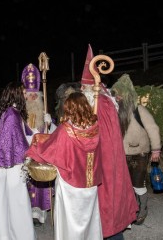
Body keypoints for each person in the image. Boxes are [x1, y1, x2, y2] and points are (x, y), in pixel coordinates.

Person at [25, 92, 103, 240]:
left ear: (70, 109)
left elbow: (50, 147)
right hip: (90, 182)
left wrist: (36, 139)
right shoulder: (96, 127)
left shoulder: (66, 129)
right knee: (89, 216)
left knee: (69, 218)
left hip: (70, 181)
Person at [80, 44, 138, 240]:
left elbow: (96, 134)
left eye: (82, 86)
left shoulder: (98, 102)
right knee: (108, 201)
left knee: (106, 202)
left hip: (103, 159)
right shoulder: (101, 99)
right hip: (107, 158)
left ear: (88, 86)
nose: (80, 89)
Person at [110, 73, 161, 225]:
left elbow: (153, 128)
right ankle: (129, 210)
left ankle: (143, 209)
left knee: (138, 183)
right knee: (123, 185)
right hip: (120, 154)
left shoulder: (139, 110)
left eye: (120, 94)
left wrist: (156, 150)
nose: (118, 97)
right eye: (116, 95)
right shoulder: (114, 111)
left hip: (139, 153)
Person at [0, 82, 36, 240]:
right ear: (16, 93)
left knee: (14, 203)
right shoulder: (11, 115)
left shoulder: (14, 112)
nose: (26, 94)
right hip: (12, 166)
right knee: (18, 204)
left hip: (14, 164)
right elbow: (10, 144)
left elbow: (25, 135)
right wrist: (28, 152)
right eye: (23, 91)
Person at [21, 63, 57, 226]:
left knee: (40, 184)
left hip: (41, 155)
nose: (33, 98)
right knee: (26, 185)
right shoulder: (20, 115)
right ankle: (25, 213)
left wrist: (50, 124)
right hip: (26, 153)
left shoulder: (44, 114)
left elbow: (55, 136)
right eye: (29, 95)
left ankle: (39, 214)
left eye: (35, 95)